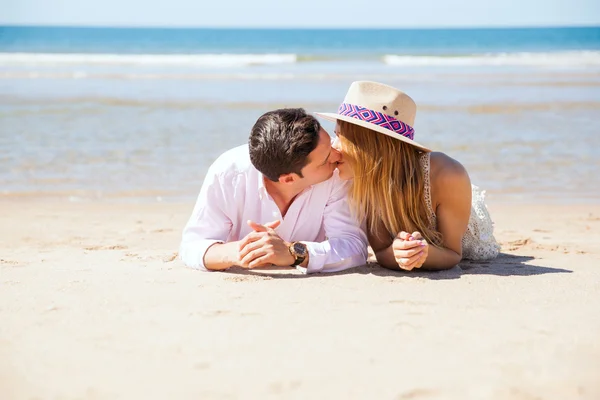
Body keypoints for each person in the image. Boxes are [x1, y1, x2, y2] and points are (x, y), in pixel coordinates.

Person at [316, 81, 499, 272]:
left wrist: (422, 253)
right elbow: (381, 250)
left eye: (340, 137)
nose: (333, 146)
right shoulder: (363, 180)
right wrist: (398, 254)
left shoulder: (446, 174)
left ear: (368, 146)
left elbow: (452, 253)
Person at [180, 108, 368, 273]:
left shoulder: (336, 173)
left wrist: (293, 252)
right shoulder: (228, 174)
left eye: (331, 144)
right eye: (326, 158)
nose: (338, 155)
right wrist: (244, 251)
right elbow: (192, 247)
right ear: (288, 179)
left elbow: (354, 248)